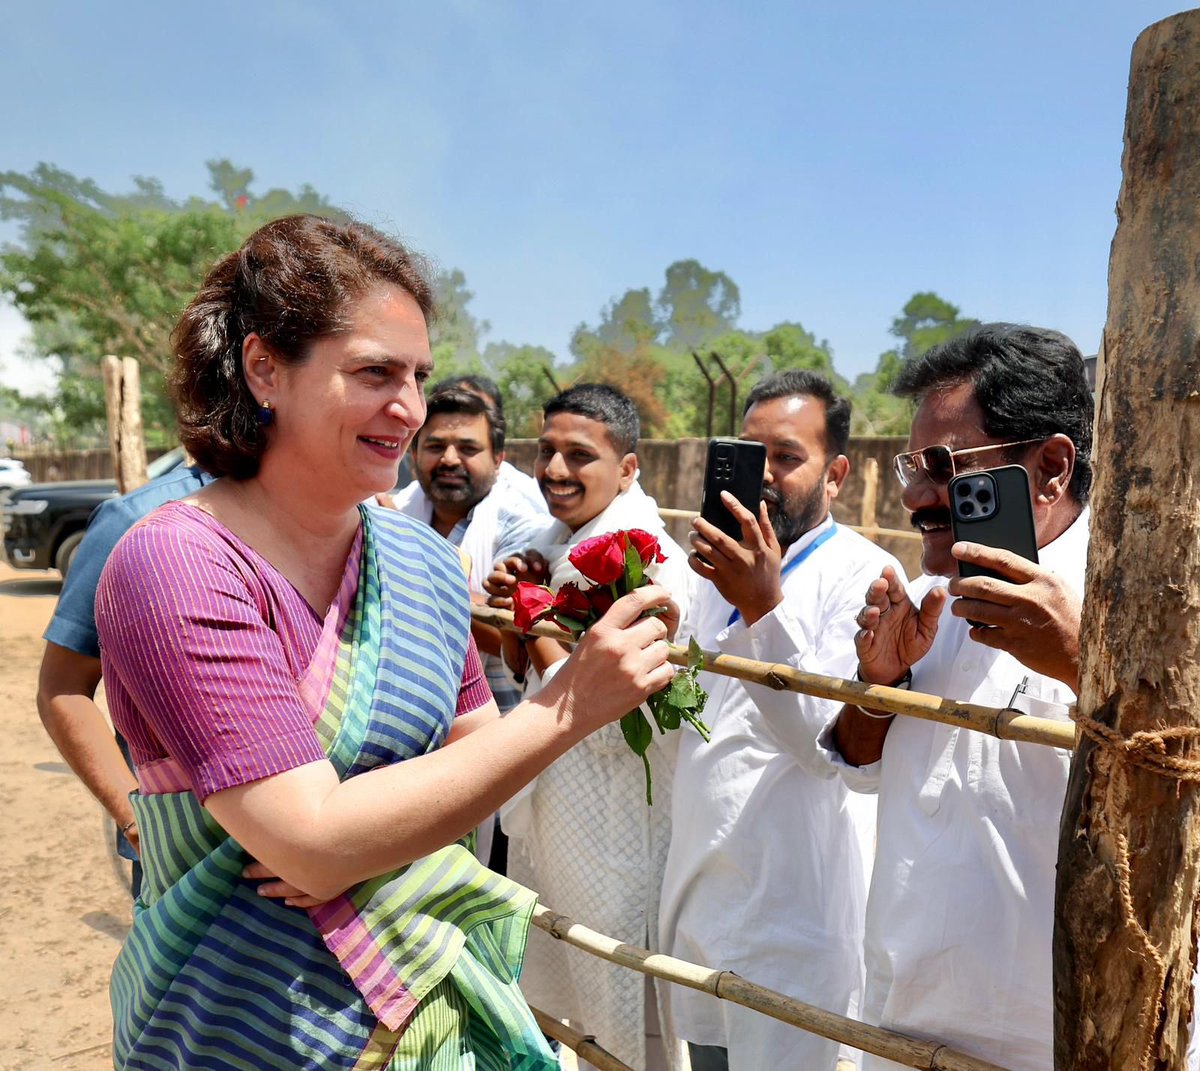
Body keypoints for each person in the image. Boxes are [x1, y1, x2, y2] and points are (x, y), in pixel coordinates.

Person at [93, 215, 675, 1071]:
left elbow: (477, 767)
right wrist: (568, 704)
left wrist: (366, 844)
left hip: (421, 1017)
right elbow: (311, 838)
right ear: (264, 369)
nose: (408, 408)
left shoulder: (422, 565)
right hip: (231, 1025)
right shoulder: (179, 564)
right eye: (374, 372)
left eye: (417, 376)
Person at [793, 324, 1091, 1070]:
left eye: (943, 466)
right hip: (904, 1021)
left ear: (1050, 467)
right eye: (911, 464)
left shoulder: (1149, 604)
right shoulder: (929, 603)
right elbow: (856, 761)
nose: (915, 495)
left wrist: (1082, 662)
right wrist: (879, 690)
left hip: (1062, 1038)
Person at [658, 370, 905, 1071]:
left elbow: (824, 747)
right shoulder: (707, 567)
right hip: (701, 898)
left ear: (837, 474)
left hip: (795, 919)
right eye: (749, 454)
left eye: (788, 457)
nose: (764, 476)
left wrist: (765, 607)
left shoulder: (866, 573)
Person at [484, 383, 691, 1071]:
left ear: (628, 470)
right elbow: (533, 671)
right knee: (561, 1009)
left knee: (617, 1011)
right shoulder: (551, 542)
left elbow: (608, 708)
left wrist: (538, 619)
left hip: (615, 821)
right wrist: (526, 615)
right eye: (546, 451)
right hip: (558, 815)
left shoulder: (648, 561)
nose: (555, 470)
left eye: (579, 455)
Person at [388, 384, 547, 868]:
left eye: (469, 448)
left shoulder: (523, 525)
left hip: (497, 735)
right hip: (406, 739)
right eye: (435, 446)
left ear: (498, 459)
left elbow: (514, 638)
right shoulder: (395, 509)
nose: (450, 459)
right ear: (413, 453)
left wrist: (426, 582)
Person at [37, 459, 211, 899]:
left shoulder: (349, 515)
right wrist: (136, 821)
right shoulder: (137, 521)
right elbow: (63, 687)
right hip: (189, 864)